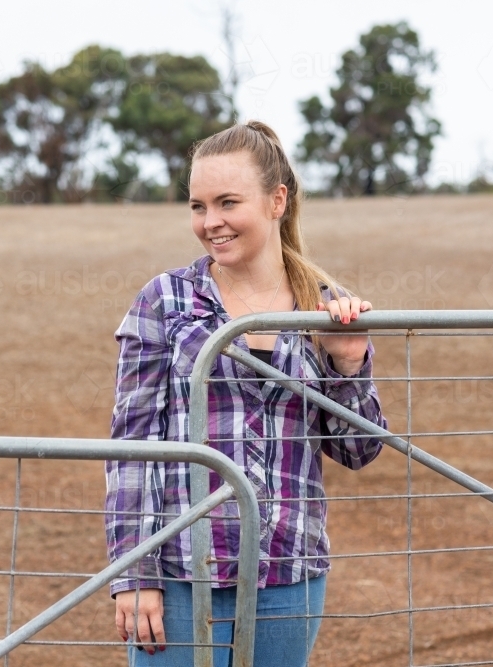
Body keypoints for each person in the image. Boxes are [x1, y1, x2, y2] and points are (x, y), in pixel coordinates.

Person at [104, 120, 388, 667]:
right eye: (197, 206)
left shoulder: (324, 305)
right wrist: (133, 573)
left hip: (288, 571)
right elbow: (132, 448)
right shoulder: (165, 301)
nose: (211, 223)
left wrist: (349, 362)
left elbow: (358, 451)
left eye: (227, 202)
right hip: (182, 570)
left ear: (277, 200)